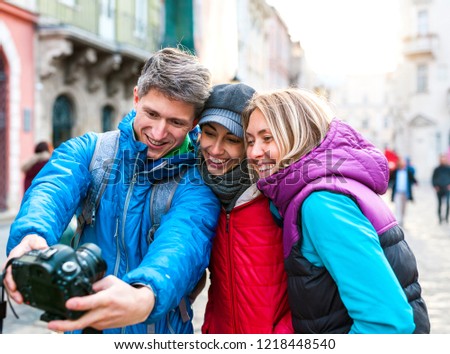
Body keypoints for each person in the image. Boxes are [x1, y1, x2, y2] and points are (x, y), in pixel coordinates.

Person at [3, 47, 221, 334]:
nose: (157, 133)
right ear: (136, 99)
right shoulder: (90, 150)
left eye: (175, 122)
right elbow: (51, 188)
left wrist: (146, 294)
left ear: (193, 123)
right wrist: (32, 233)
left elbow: (184, 241)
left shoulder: (198, 181)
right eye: (151, 113)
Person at [242, 87, 430, 334]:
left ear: (298, 135)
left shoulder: (320, 202)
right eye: (250, 140)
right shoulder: (329, 184)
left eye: (267, 138)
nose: (254, 152)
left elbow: (386, 324)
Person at [197, 83, 292, 334]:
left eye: (232, 139)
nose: (216, 150)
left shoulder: (278, 195)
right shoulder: (198, 190)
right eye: (209, 133)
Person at [390, 157, 417, 227]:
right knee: (398, 207)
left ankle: (402, 220)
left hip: (405, 193)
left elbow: (413, 178)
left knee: (404, 208)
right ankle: (398, 220)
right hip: (397, 192)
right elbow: (390, 179)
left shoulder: (408, 172)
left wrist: (416, 182)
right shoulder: (395, 172)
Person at [432, 154, 450, 224]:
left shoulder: (448, 168)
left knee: (448, 203)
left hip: (447, 188)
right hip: (439, 189)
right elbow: (433, 178)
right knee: (439, 204)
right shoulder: (437, 169)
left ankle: (446, 218)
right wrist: (435, 186)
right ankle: (440, 218)